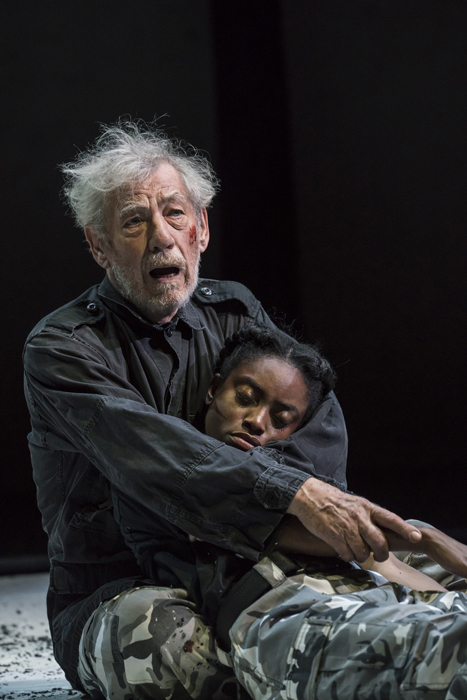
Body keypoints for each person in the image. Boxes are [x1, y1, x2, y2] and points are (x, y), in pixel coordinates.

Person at [23, 122, 421, 699]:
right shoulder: (62, 347)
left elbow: (316, 419)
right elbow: (150, 455)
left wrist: (304, 500)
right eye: (134, 222)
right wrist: (292, 493)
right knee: (169, 649)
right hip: (121, 588)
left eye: (175, 214)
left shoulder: (234, 311)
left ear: (202, 228)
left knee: (400, 561)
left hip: (241, 559)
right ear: (99, 247)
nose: (162, 237)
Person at [108, 325, 467, 700]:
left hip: (364, 587)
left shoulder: (288, 469)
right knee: (438, 653)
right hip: (283, 613)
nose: (257, 422)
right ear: (214, 388)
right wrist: (426, 540)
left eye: (281, 420)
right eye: (245, 397)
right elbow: (274, 524)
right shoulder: (168, 470)